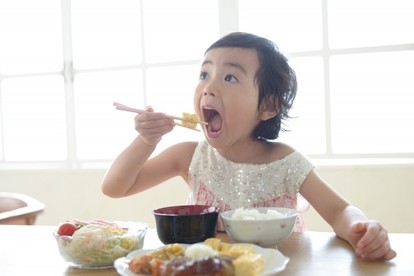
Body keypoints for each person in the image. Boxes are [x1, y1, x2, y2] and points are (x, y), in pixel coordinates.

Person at [101, 32, 396, 261]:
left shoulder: (287, 161)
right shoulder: (189, 156)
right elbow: (115, 187)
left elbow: (339, 211)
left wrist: (361, 228)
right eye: (204, 74)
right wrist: (145, 141)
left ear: (267, 106)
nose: (209, 87)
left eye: (230, 77)